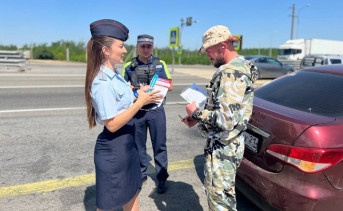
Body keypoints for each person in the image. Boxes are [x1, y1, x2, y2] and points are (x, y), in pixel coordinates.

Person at [85, 19, 162, 211]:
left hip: (128, 144)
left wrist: (138, 93)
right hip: (114, 150)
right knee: (109, 205)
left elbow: (122, 99)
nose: (125, 50)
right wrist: (141, 103)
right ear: (106, 50)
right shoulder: (101, 82)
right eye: (121, 46)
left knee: (131, 194)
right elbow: (111, 124)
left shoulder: (115, 73)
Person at [181, 25, 258, 211]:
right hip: (228, 144)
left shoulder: (230, 73)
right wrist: (199, 118)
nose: (208, 55)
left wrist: (196, 112)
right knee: (224, 197)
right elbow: (230, 111)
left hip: (224, 148)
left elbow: (225, 120)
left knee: (219, 201)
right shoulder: (241, 67)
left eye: (209, 50)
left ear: (223, 45)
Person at [122, 34, 173, 194]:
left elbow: (170, 85)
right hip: (137, 111)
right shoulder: (129, 66)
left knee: (160, 146)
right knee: (138, 146)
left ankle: (162, 177)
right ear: (137, 47)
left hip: (156, 111)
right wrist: (135, 90)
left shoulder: (160, 63)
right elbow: (123, 88)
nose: (145, 49)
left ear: (152, 47)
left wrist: (160, 86)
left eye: (148, 46)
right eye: (142, 46)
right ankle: (141, 174)